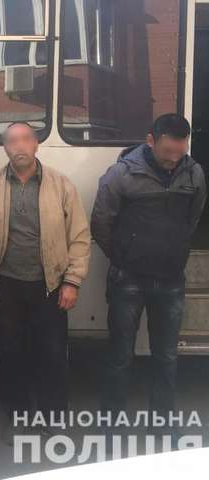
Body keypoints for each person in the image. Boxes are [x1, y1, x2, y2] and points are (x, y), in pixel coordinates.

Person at [0, 121, 90, 444]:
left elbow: (79, 237)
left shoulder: (61, 185)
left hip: (50, 286)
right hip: (4, 285)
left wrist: (72, 281)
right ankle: (19, 418)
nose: (19, 146)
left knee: (52, 355)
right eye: (12, 141)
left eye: (25, 140)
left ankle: (53, 418)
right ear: (5, 148)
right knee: (10, 356)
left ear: (36, 145)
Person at [91, 114, 206, 434]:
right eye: (167, 152)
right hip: (128, 279)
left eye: (179, 152)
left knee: (166, 357)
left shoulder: (194, 173)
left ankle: (163, 424)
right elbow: (100, 223)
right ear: (151, 141)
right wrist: (125, 257)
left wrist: (173, 251)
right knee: (120, 355)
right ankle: (112, 425)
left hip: (171, 280)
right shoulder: (121, 174)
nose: (173, 160)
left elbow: (193, 219)